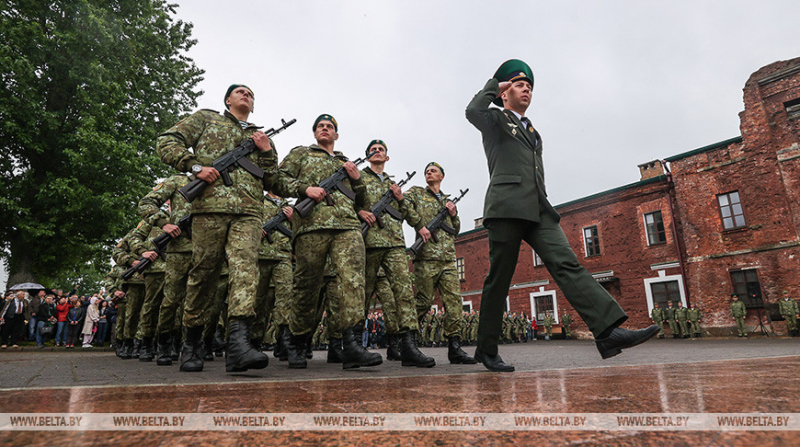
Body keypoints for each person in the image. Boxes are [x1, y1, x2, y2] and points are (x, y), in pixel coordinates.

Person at [465, 59, 658, 372]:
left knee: (567, 263)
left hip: (539, 209)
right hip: (506, 207)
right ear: (504, 92)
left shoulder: (533, 132)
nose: (526, 88)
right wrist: (495, 85)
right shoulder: (496, 120)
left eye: (529, 85)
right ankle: (487, 350)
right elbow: (472, 111)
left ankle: (607, 332)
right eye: (518, 84)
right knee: (499, 279)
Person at [157, 84, 275, 373]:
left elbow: (272, 180)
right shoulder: (206, 119)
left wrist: (268, 151)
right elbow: (166, 141)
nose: (246, 95)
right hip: (209, 208)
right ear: (227, 100)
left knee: (246, 270)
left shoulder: (259, 137)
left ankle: (238, 346)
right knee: (204, 274)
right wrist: (194, 166)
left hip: (248, 212)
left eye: (250, 94)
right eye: (240, 92)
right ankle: (192, 342)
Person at [270, 114, 381, 370]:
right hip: (311, 227)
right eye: (320, 126)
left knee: (353, 281)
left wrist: (356, 178)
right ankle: (298, 341)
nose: (325, 128)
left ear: (336, 135)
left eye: (330, 127)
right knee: (307, 287)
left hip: (347, 227)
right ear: (314, 133)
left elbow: (362, 201)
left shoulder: (346, 162)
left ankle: (351, 343)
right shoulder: (301, 154)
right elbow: (277, 179)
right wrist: (304, 190)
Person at [358, 139, 435, 367]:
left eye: (381, 149)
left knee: (404, 294)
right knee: (362, 294)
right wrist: (360, 211)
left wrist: (400, 199)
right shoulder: (359, 178)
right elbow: (346, 202)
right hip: (369, 242)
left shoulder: (394, 184)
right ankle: (354, 345)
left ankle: (409, 347)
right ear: (368, 155)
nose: (377, 152)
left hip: (394, 244)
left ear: (387, 157)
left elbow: (406, 213)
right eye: (373, 149)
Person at [406, 162, 477, 365]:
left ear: (442, 176)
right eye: (427, 171)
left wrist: (453, 214)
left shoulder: (448, 201)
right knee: (424, 301)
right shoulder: (417, 193)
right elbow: (403, 205)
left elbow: (455, 229)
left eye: (433, 170)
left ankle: (454, 348)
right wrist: (419, 225)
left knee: (455, 303)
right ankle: (408, 342)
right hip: (426, 257)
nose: (429, 173)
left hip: (447, 259)